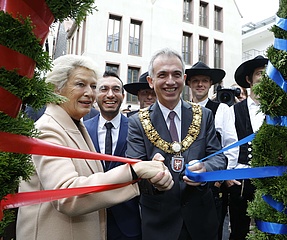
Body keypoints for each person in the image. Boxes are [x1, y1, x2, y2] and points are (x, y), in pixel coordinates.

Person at [16, 54, 174, 240]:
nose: (90, 93)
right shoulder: (48, 129)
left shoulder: (74, 125)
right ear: (55, 88)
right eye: (80, 84)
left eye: (92, 86)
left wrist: (147, 175)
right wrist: (134, 170)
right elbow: (67, 196)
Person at [126, 48, 227, 240]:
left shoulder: (204, 115)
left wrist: (205, 168)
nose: (170, 81)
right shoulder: (137, 122)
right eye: (162, 75)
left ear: (184, 78)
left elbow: (218, 156)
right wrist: (153, 177)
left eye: (176, 74)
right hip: (159, 222)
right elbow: (134, 168)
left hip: (202, 221)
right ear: (151, 81)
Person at [84, 71, 141, 240]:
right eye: (104, 89)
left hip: (128, 223)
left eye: (116, 89)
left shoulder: (136, 128)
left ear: (123, 95)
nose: (110, 94)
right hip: (89, 219)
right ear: (95, 95)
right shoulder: (82, 130)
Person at [185, 61, 239, 240]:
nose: (200, 84)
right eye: (196, 81)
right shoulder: (182, 109)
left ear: (210, 84)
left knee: (212, 230)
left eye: (205, 81)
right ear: (189, 83)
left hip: (212, 184)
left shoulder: (222, 109)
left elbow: (231, 144)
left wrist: (220, 177)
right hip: (186, 182)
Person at [228, 55, 268, 240]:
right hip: (242, 181)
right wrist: (228, 174)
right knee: (239, 232)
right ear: (248, 79)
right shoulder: (233, 111)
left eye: (268, 73)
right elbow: (227, 144)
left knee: (270, 230)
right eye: (260, 73)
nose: (264, 76)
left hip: (271, 179)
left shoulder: (280, 110)